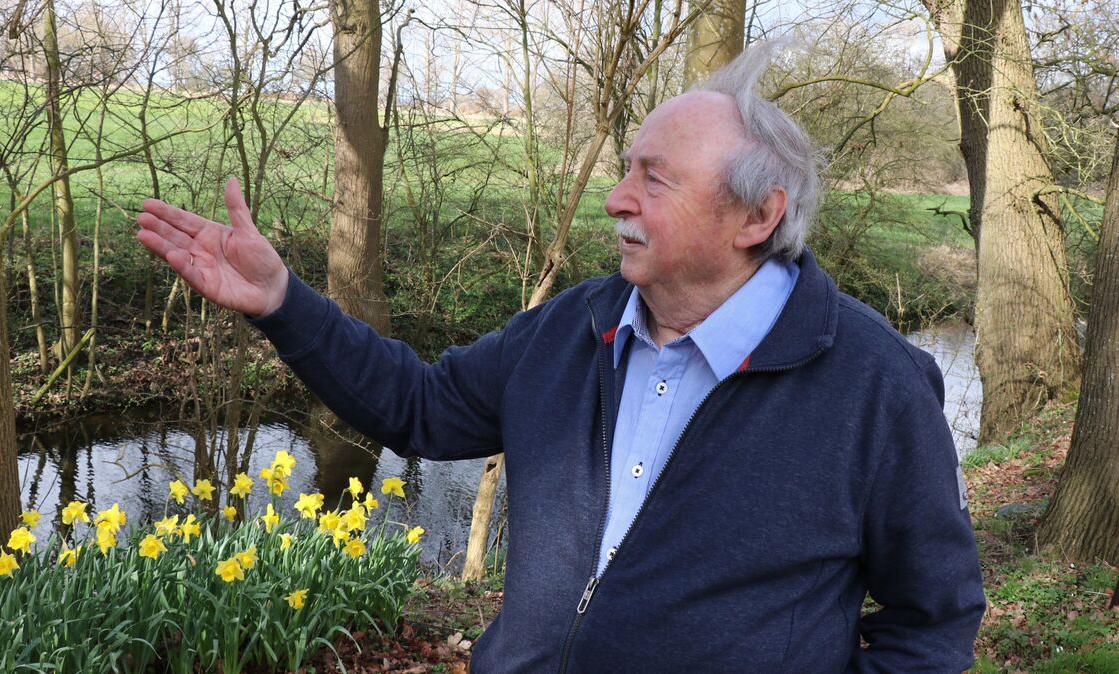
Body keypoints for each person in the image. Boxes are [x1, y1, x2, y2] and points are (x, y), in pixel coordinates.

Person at [137, 44, 985, 673]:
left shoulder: (872, 384)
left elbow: (934, 618)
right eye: (625, 169)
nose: (617, 198)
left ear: (756, 217)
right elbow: (419, 407)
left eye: (655, 179)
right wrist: (284, 302)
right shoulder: (573, 328)